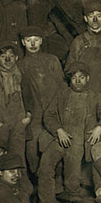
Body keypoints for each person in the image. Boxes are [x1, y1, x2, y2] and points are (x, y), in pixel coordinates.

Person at [37, 61, 101, 203]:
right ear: (69, 79)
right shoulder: (62, 94)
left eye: (81, 77)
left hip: (81, 141)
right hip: (60, 138)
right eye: (74, 77)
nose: (78, 81)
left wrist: (99, 128)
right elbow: (49, 115)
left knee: (72, 178)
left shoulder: (95, 96)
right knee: (45, 167)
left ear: (88, 79)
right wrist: (58, 130)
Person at [17, 25, 65, 174]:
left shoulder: (52, 60)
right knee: (32, 152)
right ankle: (37, 186)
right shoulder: (20, 65)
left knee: (57, 148)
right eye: (29, 40)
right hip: (34, 117)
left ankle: (56, 185)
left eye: (36, 40)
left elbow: (62, 87)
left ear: (41, 41)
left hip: (54, 113)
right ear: (23, 42)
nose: (32, 44)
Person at [0, 40, 35, 159]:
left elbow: (30, 100)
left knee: (18, 159)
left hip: (19, 125)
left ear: (16, 58)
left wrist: (27, 118)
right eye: (3, 56)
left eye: (11, 56)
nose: (8, 59)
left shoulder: (22, 77)